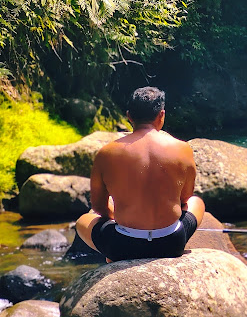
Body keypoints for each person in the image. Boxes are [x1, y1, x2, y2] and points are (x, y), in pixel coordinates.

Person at [75, 86, 205, 262]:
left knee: (83, 220)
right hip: (171, 242)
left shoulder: (106, 153)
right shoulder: (182, 148)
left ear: (129, 116)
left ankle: (111, 258)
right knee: (196, 202)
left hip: (122, 245)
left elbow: (99, 207)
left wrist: (120, 216)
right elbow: (185, 198)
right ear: (161, 115)